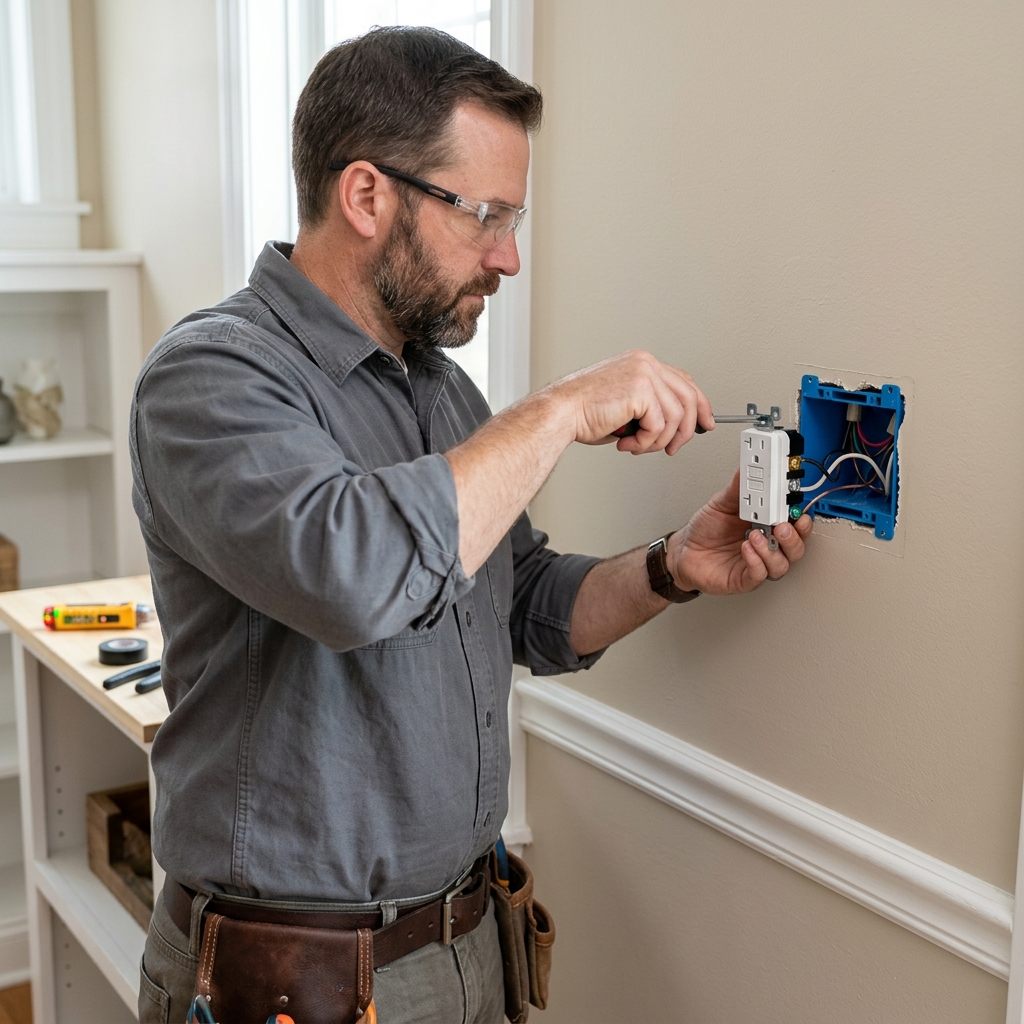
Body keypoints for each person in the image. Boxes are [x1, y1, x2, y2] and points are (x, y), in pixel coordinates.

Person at [132, 25, 812, 1024]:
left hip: (465, 944)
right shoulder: (210, 378)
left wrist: (674, 566)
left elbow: (523, 603)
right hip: (288, 983)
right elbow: (355, 574)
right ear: (364, 195)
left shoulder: (440, 391)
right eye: (484, 214)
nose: (508, 255)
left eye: (515, 217)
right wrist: (560, 407)